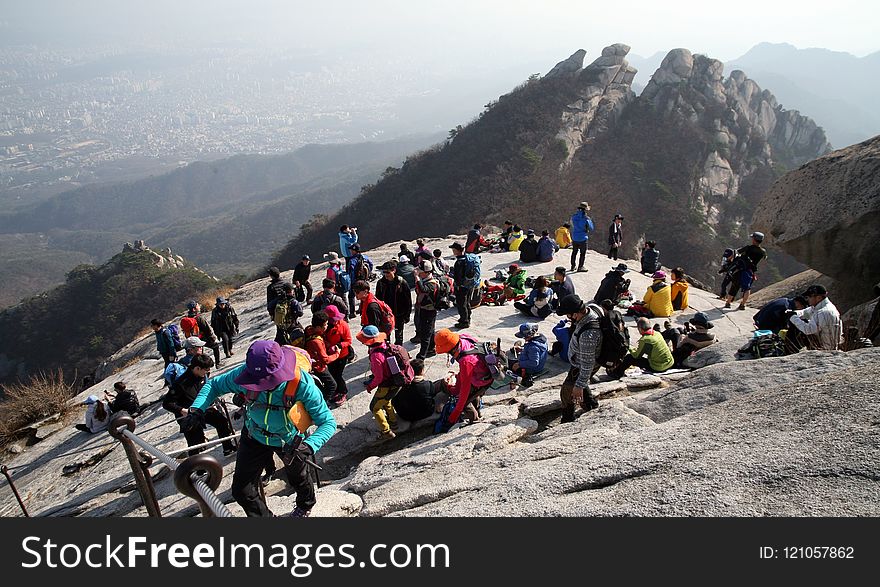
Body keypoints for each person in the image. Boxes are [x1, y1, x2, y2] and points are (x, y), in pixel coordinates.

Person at [185, 340, 336, 517]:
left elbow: (327, 422)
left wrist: (309, 446)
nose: (261, 385)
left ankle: (305, 505)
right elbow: (214, 385)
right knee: (242, 490)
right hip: (254, 435)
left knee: (299, 478)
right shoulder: (246, 373)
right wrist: (196, 409)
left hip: (288, 440)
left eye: (267, 381)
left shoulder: (302, 384)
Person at [162, 354, 236, 457]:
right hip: (188, 414)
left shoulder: (203, 376)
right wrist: (182, 410)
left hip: (205, 409)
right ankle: (198, 469)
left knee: (222, 421)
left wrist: (212, 403)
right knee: (195, 442)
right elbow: (167, 403)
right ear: (197, 368)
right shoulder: (180, 384)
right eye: (205, 370)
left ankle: (228, 448)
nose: (207, 372)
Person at [433, 328, 494, 431]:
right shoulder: (464, 337)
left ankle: (474, 420)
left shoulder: (465, 361)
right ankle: (477, 410)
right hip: (482, 372)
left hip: (481, 380)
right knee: (473, 395)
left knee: (464, 401)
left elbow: (464, 393)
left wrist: (453, 416)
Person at [359, 325, 410, 441]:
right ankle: (393, 422)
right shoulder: (386, 346)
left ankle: (386, 431)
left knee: (374, 408)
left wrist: (370, 386)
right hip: (396, 382)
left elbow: (379, 377)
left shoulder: (376, 356)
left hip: (386, 385)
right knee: (386, 401)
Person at [555, 295, 601, 423]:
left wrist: (579, 385)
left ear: (575, 314)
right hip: (580, 360)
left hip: (581, 364)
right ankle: (591, 405)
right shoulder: (593, 309)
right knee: (578, 385)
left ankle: (568, 419)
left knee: (567, 391)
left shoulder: (588, 334)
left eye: (569, 316)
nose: (568, 318)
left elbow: (588, 363)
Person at [609, 317, 674, 378]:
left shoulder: (645, 340)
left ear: (640, 328)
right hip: (670, 363)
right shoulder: (657, 333)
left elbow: (636, 356)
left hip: (658, 367)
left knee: (630, 358)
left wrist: (629, 347)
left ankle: (617, 373)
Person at [786, 284, 843, 352]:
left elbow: (808, 330)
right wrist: (795, 313)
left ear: (818, 297)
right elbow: (806, 312)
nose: (807, 299)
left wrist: (793, 317)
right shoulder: (822, 306)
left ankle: (789, 351)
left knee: (797, 329)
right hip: (824, 344)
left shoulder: (824, 312)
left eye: (809, 297)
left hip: (825, 349)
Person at [303, 311, 340, 404]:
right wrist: (337, 353)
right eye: (325, 324)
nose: (327, 326)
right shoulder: (316, 341)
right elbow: (325, 359)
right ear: (318, 327)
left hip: (311, 363)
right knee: (332, 385)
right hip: (318, 366)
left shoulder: (308, 329)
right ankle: (323, 402)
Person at [725, 232, 767, 310]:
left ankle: (728, 302)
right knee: (747, 288)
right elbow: (765, 258)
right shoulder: (762, 251)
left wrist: (728, 260)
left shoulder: (748, 248)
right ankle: (742, 305)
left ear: (754, 240)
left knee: (735, 285)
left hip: (741, 269)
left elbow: (736, 252)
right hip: (750, 271)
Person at [375, 260, 413, 346]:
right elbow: (378, 299)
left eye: (387, 272)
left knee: (399, 337)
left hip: (399, 314)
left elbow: (408, 301)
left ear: (394, 270)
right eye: (384, 272)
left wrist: (407, 315)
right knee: (385, 336)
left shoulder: (402, 283)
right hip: (386, 315)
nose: (386, 275)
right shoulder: (381, 283)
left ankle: (398, 352)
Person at [323, 305, 352, 406]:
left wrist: (338, 346)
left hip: (341, 355)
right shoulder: (324, 325)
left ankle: (343, 392)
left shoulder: (343, 325)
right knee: (331, 373)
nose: (335, 321)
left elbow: (348, 341)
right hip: (329, 355)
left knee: (337, 375)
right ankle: (336, 391)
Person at [413, 260, 440, 360]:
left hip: (429, 310)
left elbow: (424, 289)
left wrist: (416, 277)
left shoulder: (432, 283)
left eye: (421, 271)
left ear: (427, 272)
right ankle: (431, 349)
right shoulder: (424, 280)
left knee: (425, 333)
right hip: (424, 309)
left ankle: (422, 355)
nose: (419, 272)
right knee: (430, 330)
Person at [450, 242, 481, 329]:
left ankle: (464, 322)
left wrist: (457, 284)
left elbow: (458, 277)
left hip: (462, 286)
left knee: (461, 304)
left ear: (457, 250)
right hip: (470, 284)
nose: (453, 251)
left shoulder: (459, 262)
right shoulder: (468, 258)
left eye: (453, 250)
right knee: (466, 302)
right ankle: (467, 318)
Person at [184, 301, 222, 367]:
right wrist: (212, 337)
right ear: (194, 309)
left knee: (198, 353)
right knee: (215, 346)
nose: (199, 306)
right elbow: (207, 329)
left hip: (193, 340)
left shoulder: (188, 318)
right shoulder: (199, 318)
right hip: (203, 338)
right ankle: (217, 363)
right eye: (197, 305)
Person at [510, 323, 548, 387]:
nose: (524, 339)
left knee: (510, 364)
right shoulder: (541, 338)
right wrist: (522, 349)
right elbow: (536, 352)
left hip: (532, 369)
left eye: (525, 337)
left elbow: (534, 362)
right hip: (539, 365)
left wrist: (519, 364)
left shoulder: (533, 347)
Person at [570, 202, 594, 272]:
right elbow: (591, 228)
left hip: (575, 237)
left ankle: (573, 266)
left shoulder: (573, 216)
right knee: (582, 253)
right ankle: (580, 267)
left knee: (574, 252)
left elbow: (572, 225)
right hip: (583, 238)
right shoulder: (586, 218)